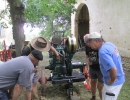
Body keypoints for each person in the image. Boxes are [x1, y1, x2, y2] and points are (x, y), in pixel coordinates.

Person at [88, 32, 125, 100]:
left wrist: (112, 80)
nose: (89, 45)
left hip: (114, 82)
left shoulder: (103, 51)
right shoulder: (109, 44)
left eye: (90, 42)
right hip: (119, 78)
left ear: (96, 40)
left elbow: (113, 68)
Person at [83, 34, 103, 100]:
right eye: (85, 42)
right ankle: (93, 97)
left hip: (100, 69)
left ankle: (101, 98)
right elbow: (87, 56)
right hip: (92, 68)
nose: (87, 43)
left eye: (88, 41)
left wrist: (97, 61)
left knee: (100, 86)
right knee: (93, 81)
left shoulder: (99, 46)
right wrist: (88, 63)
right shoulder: (87, 46)